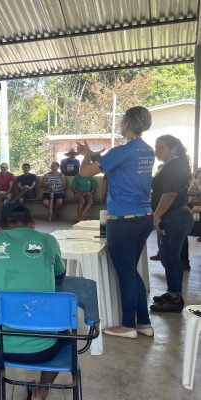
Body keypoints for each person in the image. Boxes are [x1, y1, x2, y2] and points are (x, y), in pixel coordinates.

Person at [0, 203, 65, 400]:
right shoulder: (48, 240)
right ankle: (41, 393)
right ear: (32, 224)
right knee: (66, 331)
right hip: (44, 348)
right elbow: (60, 275)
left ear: (0, 227)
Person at [77, 105, 155, 338]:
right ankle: (144, 323)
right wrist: (94, 153)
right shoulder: (147, 150)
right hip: (144, 217)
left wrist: (85, 156)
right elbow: (116, 162)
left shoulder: (123, 150)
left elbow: (85, 173)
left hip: (123, 219)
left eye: (122, 122)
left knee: (125, 273)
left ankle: (128, 325)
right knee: (131, 270)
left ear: (128, 124)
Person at [149, 135, 193, 313]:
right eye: (156, 147)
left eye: (162, 147)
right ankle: (172, 292)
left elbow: (171, 193)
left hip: (175, 216)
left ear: (174, 148)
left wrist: (157, 215)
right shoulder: (169, 165)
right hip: (172, 216)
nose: (157, 151)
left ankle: (175, 298)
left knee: (172, 257)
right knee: (167, 257)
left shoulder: (175, 166)